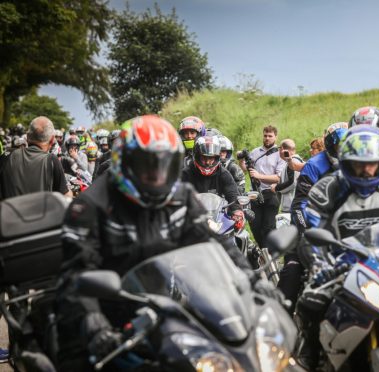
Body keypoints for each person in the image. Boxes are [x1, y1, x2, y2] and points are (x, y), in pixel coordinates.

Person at [56, 115, 280, 370]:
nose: (158, 175)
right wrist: (94, 322)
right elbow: (75, 274)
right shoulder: (89, 207)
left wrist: (252, 280)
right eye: (148, 166)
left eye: (165, 165)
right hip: (105, 317)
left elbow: (215, 240)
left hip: (160, 308)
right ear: (123, 163)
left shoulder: (179, 197)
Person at [295, 125, 379, 370]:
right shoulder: (327, 190)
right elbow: (313, 234)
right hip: (341, 265)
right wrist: (319, 264)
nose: (367, 171)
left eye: (373, 163)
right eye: (359, 164)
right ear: (345, 162)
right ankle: (310, 354)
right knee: (310, 301)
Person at [280, 123, 348, 309]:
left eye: (347, 147)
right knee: (292, 271)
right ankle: (279, 324)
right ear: (330, 147)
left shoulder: (359, 165)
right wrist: (307, 231)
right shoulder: (314, 165)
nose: (343, 152)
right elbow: (299, 204)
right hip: (315, 230)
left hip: (347, 232)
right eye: (339, 147)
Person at [0, 116, 71, 200]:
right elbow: (66, 195)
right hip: (39, 213)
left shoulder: (6, 156)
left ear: (27, 136)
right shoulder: (52, 160)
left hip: (7, 212)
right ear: (52, 140)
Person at [239, 125, 287, 248]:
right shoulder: (255, 152)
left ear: (276, 137)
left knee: (268, 227)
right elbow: (245, 170)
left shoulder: (279, 154)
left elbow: (278, 177)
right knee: (255, 226)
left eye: (270, 136)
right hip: (255, 194)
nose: (267, 138)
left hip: (271, 193)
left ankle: (269, 254)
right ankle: (262, 251)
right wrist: (241, 160)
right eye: (265, 135)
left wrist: (259, 176)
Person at [181, 134, 241, 212]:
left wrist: (237, 211)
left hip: (216, 216)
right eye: (204, 157)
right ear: (197, 156)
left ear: (217, 157)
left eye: (211, 158)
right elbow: (176, 195)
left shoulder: (224, 174)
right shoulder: (186, 173)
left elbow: (233, 194)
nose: (208, 162)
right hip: (191, 215)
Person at [271, 139, 304, 213]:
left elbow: (292, 183)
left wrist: (276, 187)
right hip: (294, 204)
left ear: (282, 148)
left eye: (279, 148)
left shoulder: (293, 162)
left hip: (291, 206)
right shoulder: (296, 161)